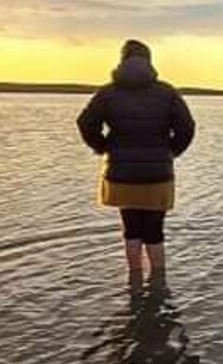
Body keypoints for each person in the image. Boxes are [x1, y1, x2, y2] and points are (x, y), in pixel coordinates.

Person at [77, 40, 195, 285]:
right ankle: (159, 288)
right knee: (155, 230)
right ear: (149, 62)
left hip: (121, 172)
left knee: (131, 228)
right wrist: (171, 151)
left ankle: (134, 284)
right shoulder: (167, 92)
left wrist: (102, 147)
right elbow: (187, 127)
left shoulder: (108, 93)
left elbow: (85, 123)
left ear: (122, 61)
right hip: (158, 173)